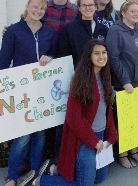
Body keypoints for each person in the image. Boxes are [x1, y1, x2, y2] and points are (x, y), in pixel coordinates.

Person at [31, 39, 118, 186]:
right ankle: (40, 181)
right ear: (89, 56)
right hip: (84, 139)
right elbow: (74, 117)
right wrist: (93, 140)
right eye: (97, 53)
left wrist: (111, 135)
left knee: (99, 178)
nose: (101, 56)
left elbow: (107, 110)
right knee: (84, 184)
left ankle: (56, 170)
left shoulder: (105, 77)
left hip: (101, 136)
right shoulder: (81, 80)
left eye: (104, 53)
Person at [0, 0, 55, 186]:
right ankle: (12, 176)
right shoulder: (13, 31)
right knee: (22, 136)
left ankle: (35, 173)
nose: (38, 11)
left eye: (42, 9)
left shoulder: (49, 32)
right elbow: (3, 62)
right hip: (22, 90)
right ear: (27, 6)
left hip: (42, 90)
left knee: (40, 134)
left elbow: (55, 52)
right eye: (35, 7)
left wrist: (50, 56)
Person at [106, 1, 138, 169]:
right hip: (126, 85)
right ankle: (123, 154)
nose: (136, 13)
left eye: (137, 11)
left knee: (137, 120)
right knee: (124, 120)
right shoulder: (115, 31)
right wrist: (125, 81)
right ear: (123, 13)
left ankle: (134, 151)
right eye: (132, 11)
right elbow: (113, 58)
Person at [59, 0, 109, 68]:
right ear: (79, 8)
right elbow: (64, 54)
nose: (87, 8)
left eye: (90, 5)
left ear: (96, 7)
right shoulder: (70, 29)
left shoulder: (104, 29)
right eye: (84, 5)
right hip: (79, 73)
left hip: (100, 72)